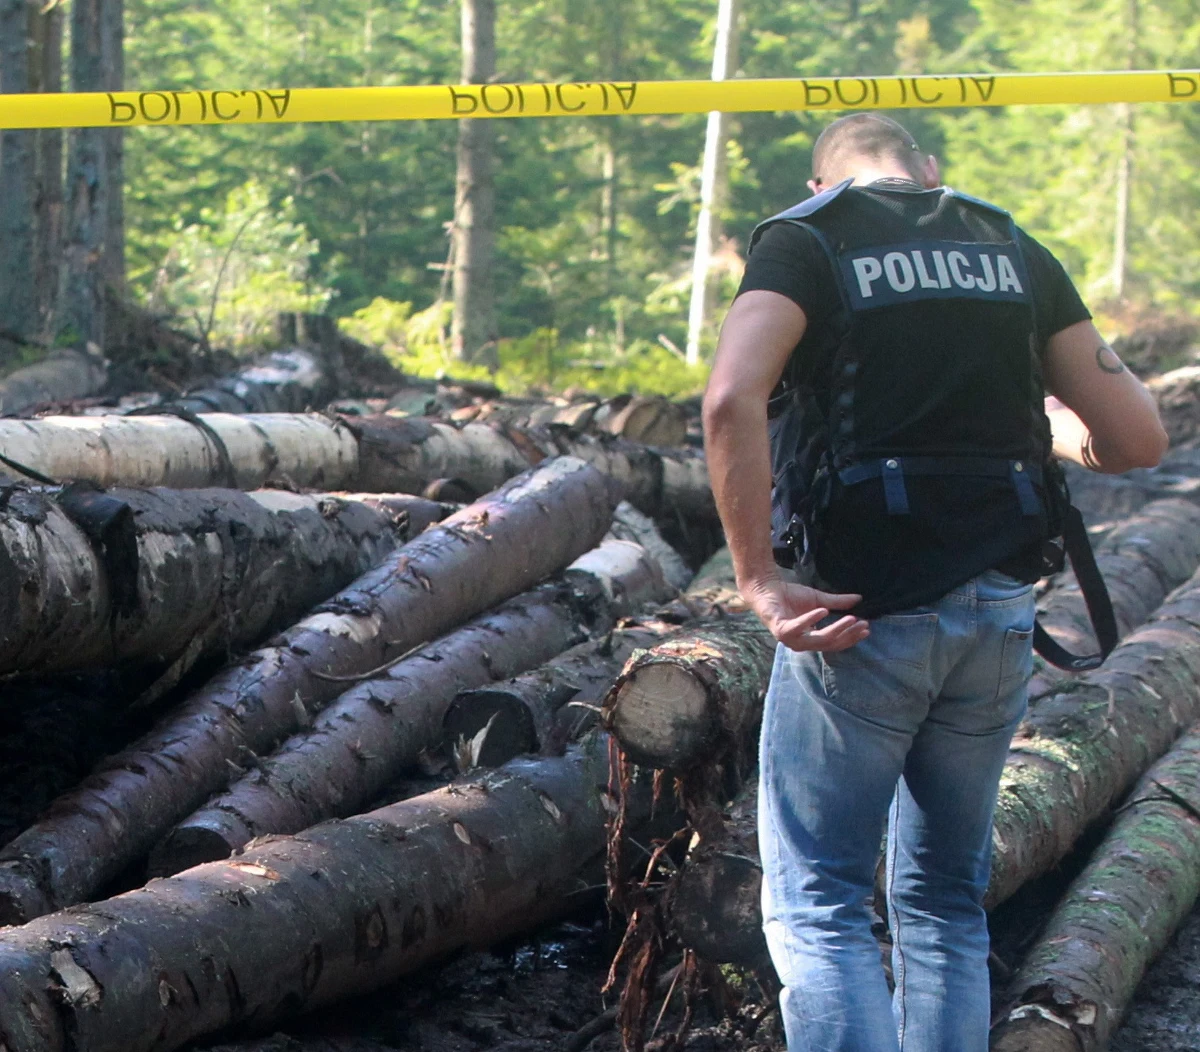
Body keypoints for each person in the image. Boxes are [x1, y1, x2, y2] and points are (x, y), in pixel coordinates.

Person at [701, 112, 1167, 1052]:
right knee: (946, 903)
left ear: (822, 184)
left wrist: (756, 580)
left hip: (859, 620)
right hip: (998, 617)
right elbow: (1136, 441)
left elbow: (728, 397)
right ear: (929, 170)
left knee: (822, 903)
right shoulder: (1008, 242)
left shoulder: (808, 240)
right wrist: (1053, 428)